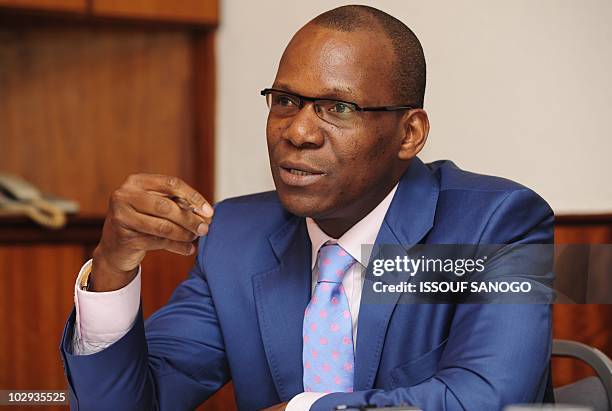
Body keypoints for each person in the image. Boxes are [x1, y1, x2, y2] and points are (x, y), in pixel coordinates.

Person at [60, 5, 554, 411]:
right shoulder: (236, 236)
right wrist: (112, 268)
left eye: (339, 108)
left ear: (410, 133)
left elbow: (492, 399)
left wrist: (306, 410)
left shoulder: (497, 224)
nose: (298, 132)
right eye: (286, 100)